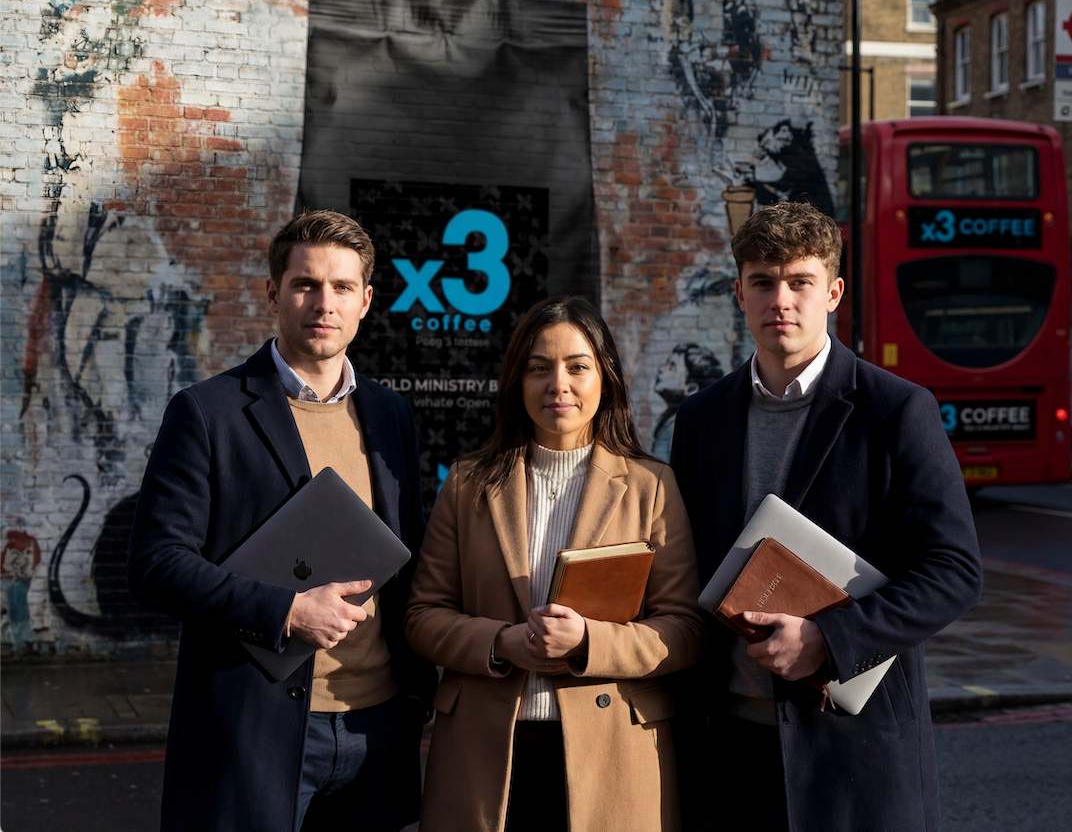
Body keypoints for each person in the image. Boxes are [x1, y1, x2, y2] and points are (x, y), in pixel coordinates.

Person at [670, 201, 982, 832]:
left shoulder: (896, 411)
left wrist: (827, 640)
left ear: (833, 292)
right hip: (725, 746)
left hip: (849, 750)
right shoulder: (699, 420)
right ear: (739, 293)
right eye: (762, 281)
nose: (780, 299)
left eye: (799, 282)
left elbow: (954, 570)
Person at [128, 210, 436, 832]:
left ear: (366, 300)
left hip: (375, 723)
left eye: (343, 288)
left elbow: (409, 553)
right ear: (273, 292)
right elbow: (157, 563)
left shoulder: (391, 413)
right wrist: (287, 611)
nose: (324, 303)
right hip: (256, 727)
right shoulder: (207, 412)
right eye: (306, 284)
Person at [406, 295, 702, 832]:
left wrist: (589, 642)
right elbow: (423, 615)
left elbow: (682, 630)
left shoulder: (651, 487)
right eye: (538, 368)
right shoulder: (470, 484)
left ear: (605, 379)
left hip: (610, 757)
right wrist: (501, 643)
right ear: (517, 383)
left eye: (577, 367)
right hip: (486, 756)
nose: (557, 384)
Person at [651, 342, 724, 461]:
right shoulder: (674, 421)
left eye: (672, 366)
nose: (661, 369)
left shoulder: (682, 427)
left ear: (690, 388)